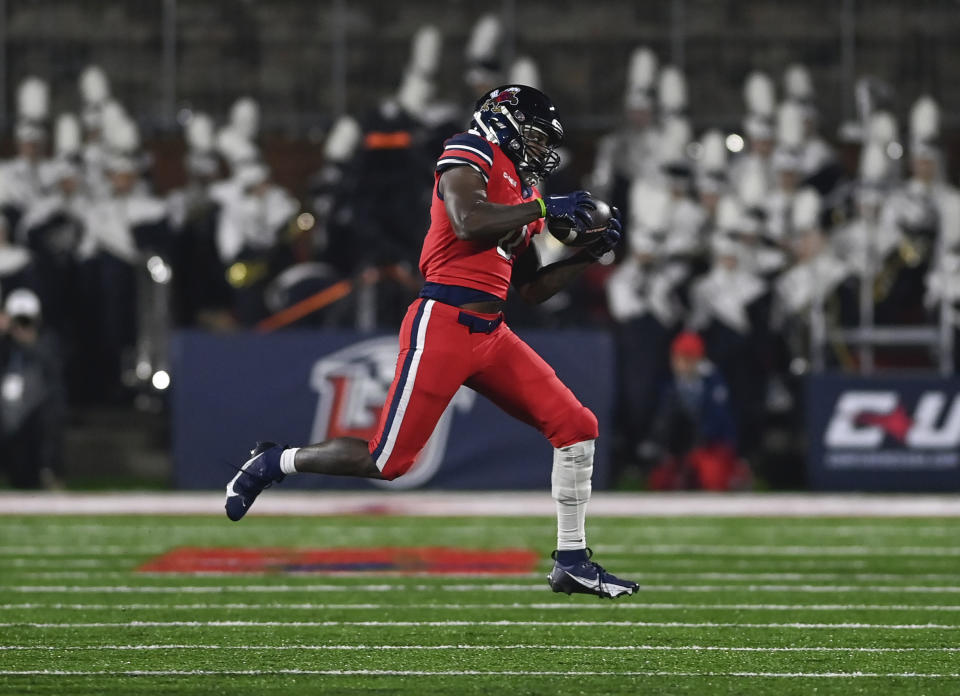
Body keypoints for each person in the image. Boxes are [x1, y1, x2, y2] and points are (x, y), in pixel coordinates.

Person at [224, 84, 638, 599]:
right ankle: (274, 461)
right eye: (533, 138)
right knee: (388, 461)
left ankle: (572, 561)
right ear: (503, 123)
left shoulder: (519, 192)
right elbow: (467, 223)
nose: (538, 151)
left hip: (493, 331)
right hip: (442, 322)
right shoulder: (471, 149)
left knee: (577, 426)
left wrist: (586, 256)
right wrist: (541, 207)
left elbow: (530, 290)